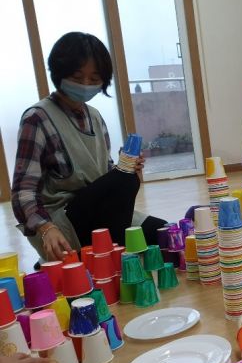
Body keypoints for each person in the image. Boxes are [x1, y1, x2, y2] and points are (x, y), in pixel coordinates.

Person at [11, 32, 167, 262]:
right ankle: (110, 258)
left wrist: (126, 167)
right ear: (59, 74)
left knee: (164, 233)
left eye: (94, 79)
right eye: (77, 77)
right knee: (124, 181)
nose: (85, 85)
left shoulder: (94, 117)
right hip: (62, 225)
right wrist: (46, 229)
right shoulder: (37, 119)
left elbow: (103, 176)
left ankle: (112, 251)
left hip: (100, 215)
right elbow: (23, 191)